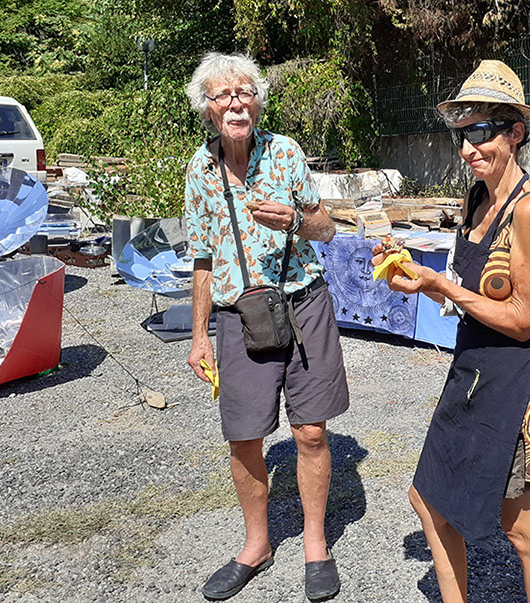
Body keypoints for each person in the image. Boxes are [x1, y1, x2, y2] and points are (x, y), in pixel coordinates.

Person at [372, 60, 530, 603]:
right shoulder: (477, 199)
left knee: (525, 532)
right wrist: (417, 278)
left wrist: (447, 286)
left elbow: (524, 318)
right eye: (462, 134)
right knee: (429, 499)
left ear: (515, 132)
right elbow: (471, 292)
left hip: (516, 382)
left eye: (480, 132)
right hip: (473, 369)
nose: (467, 148)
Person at [183, 52, 349, 602]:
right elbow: (202, 258)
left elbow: (326, 230)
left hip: (303, 305)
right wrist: (199, 334)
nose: (236, 102)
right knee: (244, 436)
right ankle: (256, 545)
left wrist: (296, 220)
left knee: (311, 432)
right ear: (207, 111)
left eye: (245, 92)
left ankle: (316, 546)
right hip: (237, 317)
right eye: (223, 95)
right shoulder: (199, 171)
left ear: (257, 101)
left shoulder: (286, 153)